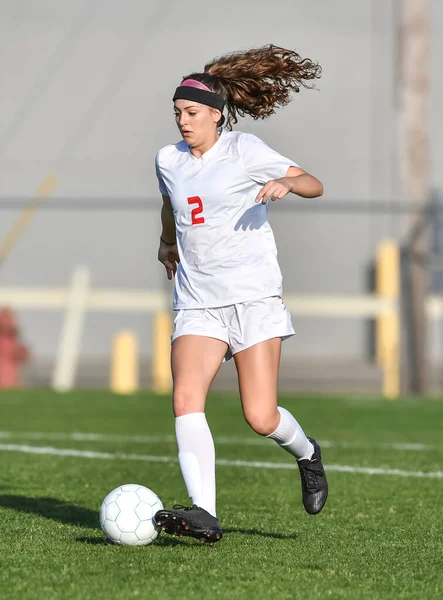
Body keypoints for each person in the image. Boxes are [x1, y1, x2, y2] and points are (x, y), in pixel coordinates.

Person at [154, 44, 327, 545]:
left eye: (191, 113)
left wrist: (286, 183)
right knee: (186, 398)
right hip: (198, 300)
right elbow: (171, 203)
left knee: (260, 416)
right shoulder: (169, 159)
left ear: (216, 115)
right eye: (177, 113)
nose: (182, 122)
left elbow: (315, 184)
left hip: (252, 298)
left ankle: (307, 454)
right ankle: (204, 514)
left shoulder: (245, 150)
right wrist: (168, 243)